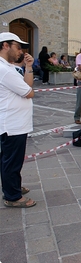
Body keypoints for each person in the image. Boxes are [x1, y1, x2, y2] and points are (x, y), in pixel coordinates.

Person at [0, 32, 36, 208]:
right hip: (12, 124)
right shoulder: (5, 70)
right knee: (12, 161)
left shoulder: (9, 68)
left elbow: (27, 85)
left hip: (15, 124)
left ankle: (12, 187)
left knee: (11, 159)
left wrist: (28, 66)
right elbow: (29, 92)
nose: (21, 51)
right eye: (18, 46)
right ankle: (12, 196)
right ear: (5, 46)